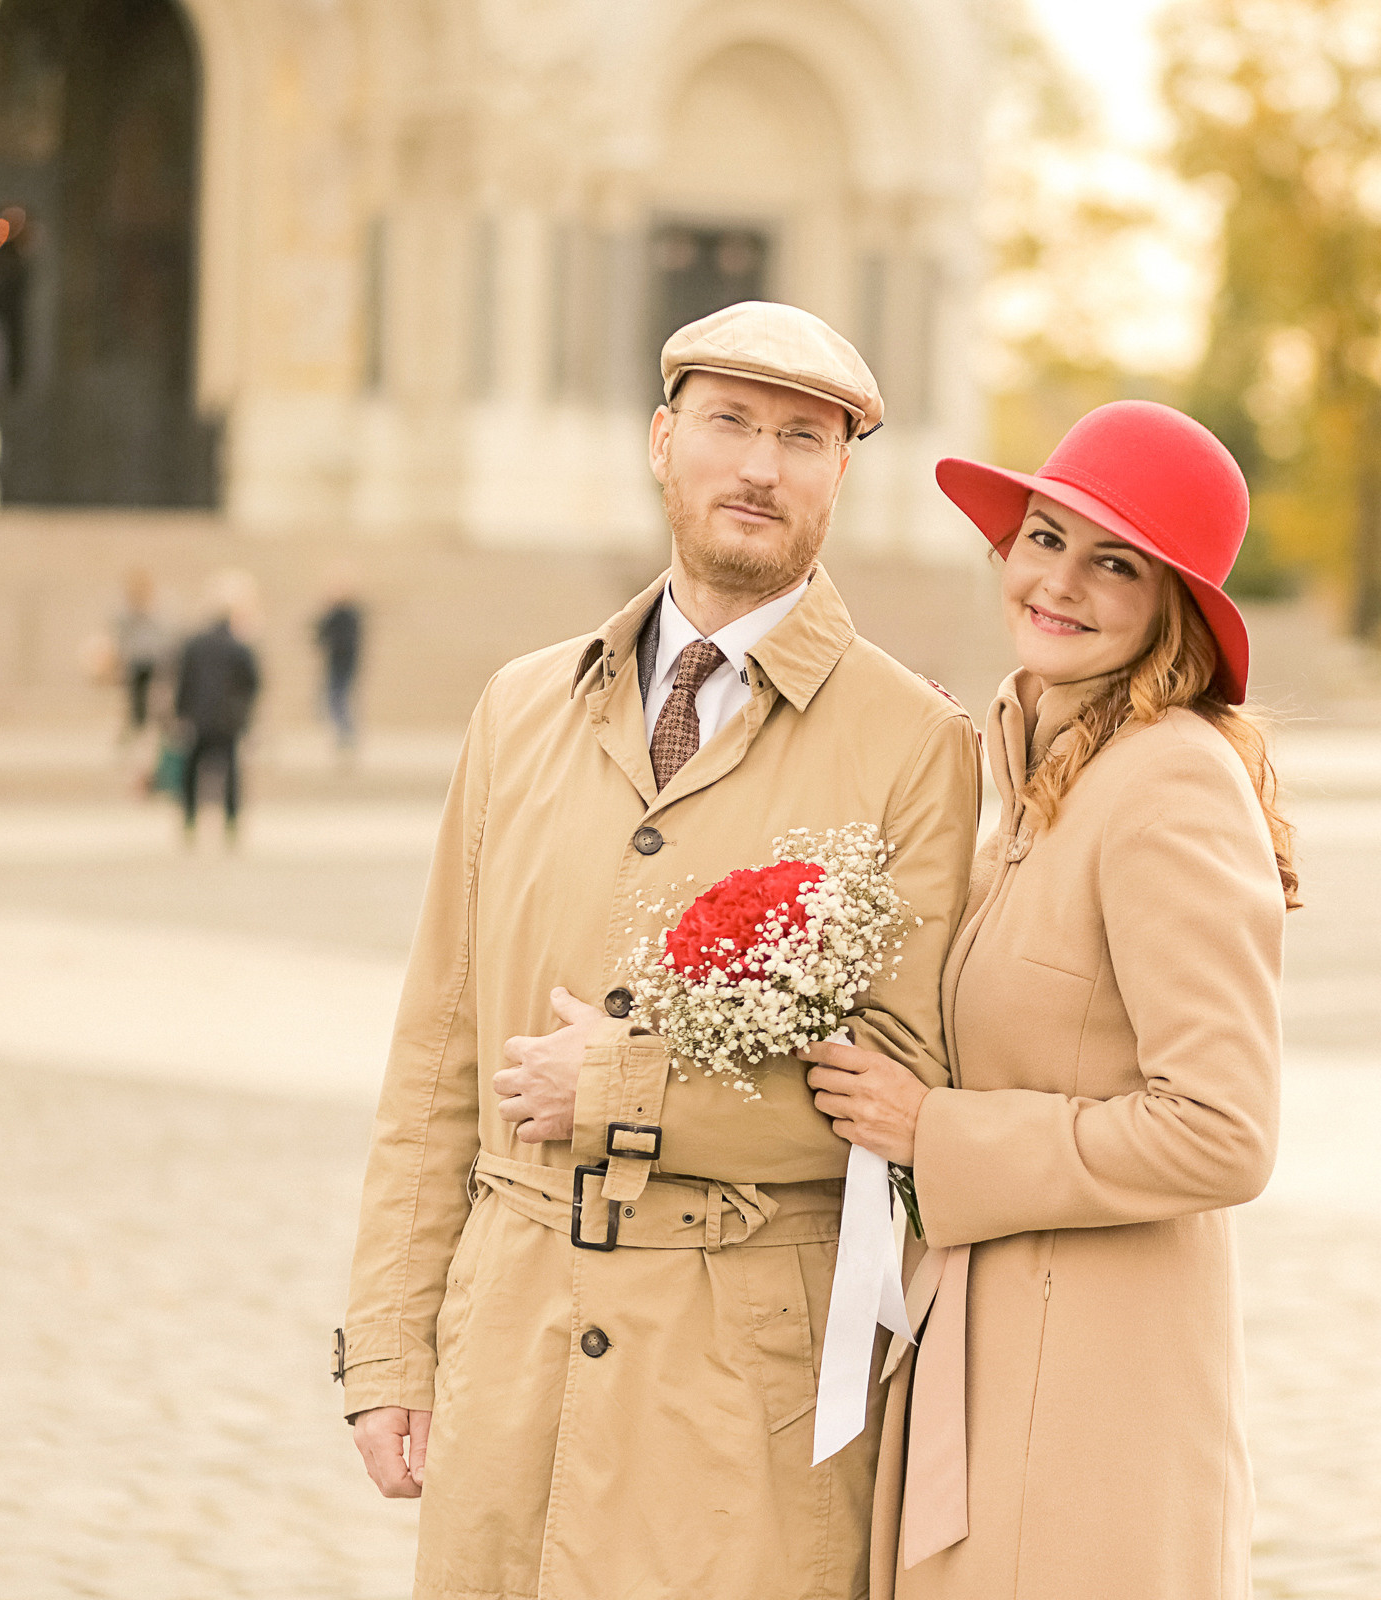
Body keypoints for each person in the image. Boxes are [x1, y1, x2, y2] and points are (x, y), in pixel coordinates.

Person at [337, 301, 981, 1600]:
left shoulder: (918, 744)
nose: (760, 466)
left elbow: (902, 1094)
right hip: (511, 1343)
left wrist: (627, 1090)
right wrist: (391, 1347)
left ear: (840, 474)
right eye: (730, 422)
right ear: (660, 439)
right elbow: (439, 1050)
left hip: (746, 1372)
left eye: (803, 437)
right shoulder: (519, 708)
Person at [801, 401, 1297, 1600]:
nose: (1059, 581)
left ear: (1169, 602)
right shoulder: (1036, 777)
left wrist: (938, 1133)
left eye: (1112, 560)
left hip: (1092, 1398)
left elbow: (1223, 1131)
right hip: (996, 1363)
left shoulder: (1170, 783)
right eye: (1044, 537)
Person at [173, 572, 261, 842]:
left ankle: (189, 820)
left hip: (199, 716)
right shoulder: (239, 646)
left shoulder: (194, 643)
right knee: (230, 771)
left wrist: (180, 713)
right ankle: (231, 822)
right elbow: (253, 682)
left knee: (192, 770)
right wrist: (245, 714)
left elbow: (183, 680)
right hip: (228, 718)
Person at [312, 568, 365, 756]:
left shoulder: (349, 613)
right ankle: (344, 736)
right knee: (333, 700)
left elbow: (345, 641)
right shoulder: (337, 613)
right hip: (336, 662)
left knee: (337, 700)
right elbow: (318, 633)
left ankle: (346, 736)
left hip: (343, 663)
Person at [113, 567, 169, 742]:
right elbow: (122, 636)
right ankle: (136, 729)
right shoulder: (127, 613)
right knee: (136, 700)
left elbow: (162, 634)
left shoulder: (156, 610)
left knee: (155, 699)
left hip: (153, 660)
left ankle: (150, 731)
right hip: (136, 661)